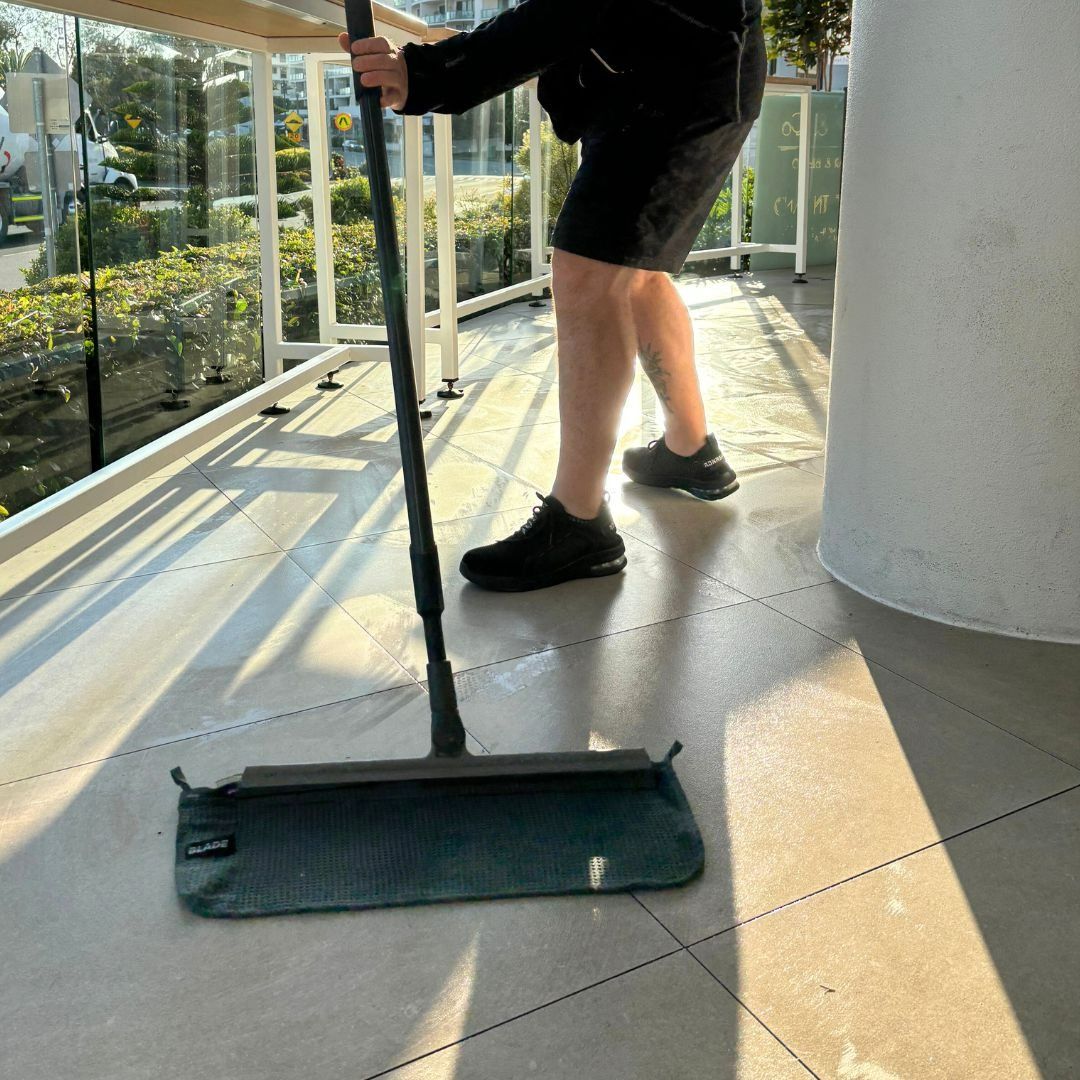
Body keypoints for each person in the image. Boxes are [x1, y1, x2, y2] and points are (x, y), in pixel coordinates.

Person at [339, 0, 766, 592]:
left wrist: (435, 72)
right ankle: (690, 449)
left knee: (589, 271)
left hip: (673, 71)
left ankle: (581, 521)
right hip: (674, 68)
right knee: (630, 272)